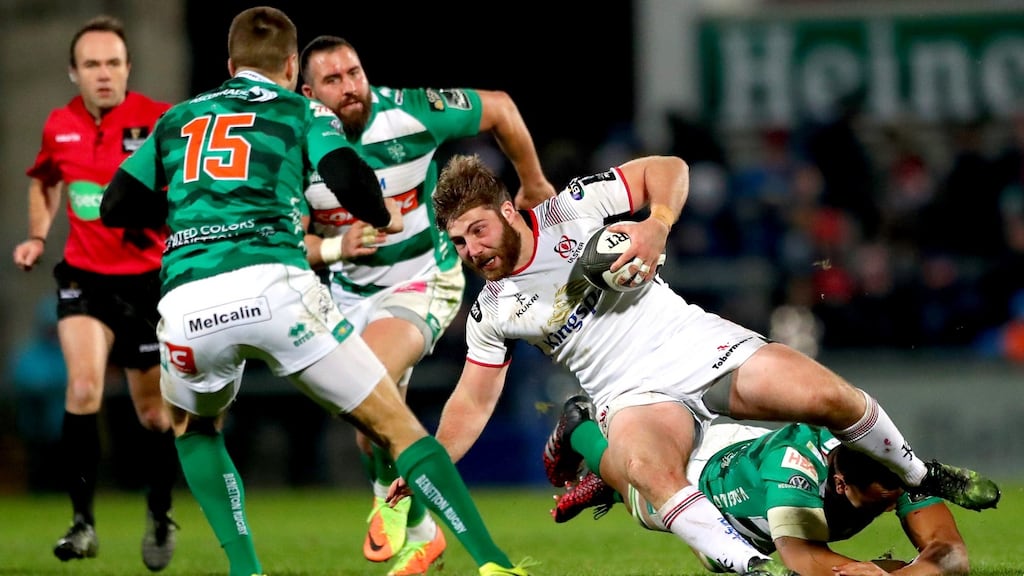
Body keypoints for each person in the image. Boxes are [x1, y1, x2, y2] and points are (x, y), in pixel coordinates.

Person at [409, 153, 999, 576]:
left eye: (477, 232)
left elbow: (669, 168)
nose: (472, 252)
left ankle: (923, 476)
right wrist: (429, 463)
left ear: (508, 211)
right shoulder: (492, 310)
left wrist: (654, 226)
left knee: (830, 398)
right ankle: (752, 569)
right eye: (458, 244)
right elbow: (472, 399)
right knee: (651, 471)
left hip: (695, 342)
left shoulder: (573, 210)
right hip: (630, 392)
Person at [98, 7, 531, 576]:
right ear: (289, 67)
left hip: (187, 302)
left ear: (230, 66)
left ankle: (246, 569)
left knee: (195, 429)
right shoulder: (301, 112)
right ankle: (491, 562)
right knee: (394, 425)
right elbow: (349, 177)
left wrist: (194, 213)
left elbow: (115, 206)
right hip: (277, 290)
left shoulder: (177, 118)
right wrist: (376, 213)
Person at [297, 35, 555, 575]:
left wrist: (532, 181)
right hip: (346, 292)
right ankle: (423, 531)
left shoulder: (410, 112)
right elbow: (289, 237)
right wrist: (332, 247)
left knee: (366, 381)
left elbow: (502, 108)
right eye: (334, 79)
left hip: (422, 280)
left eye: (355, 72)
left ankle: (385, 501)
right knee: (372, 419)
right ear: (308, 92)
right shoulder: (295, 144)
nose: (350, 86)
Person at [11, 15, 179, 571]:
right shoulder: (58, 124)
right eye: (92, 64)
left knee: (153, 413)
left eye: (113, 63)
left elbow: (187, 185)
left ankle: (159, 512)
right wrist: (37, 235)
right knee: (81, 386)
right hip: (85, 278)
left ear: (128, 67)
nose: (103, 74)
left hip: (148, 284)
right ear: (73, 71)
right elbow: (44, 179)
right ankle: (82, 524)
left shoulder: (159, 121)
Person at [546, 397, 970, 576]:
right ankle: (581, 428)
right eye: (883, 499)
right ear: (840, 484)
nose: (895, 501)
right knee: (636, 489)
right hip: (706, 483)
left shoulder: (892, 466)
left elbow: (951, 552)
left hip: (748, 456)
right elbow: (801, 558)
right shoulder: (794, 473)